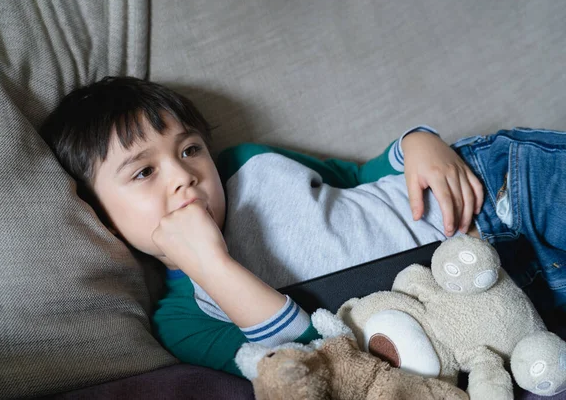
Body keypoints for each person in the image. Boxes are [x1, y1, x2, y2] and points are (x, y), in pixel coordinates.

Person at [40, 76, 565, 377]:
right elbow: (310, 352)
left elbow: (362, 175)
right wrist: (210, 265)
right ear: (98, 214)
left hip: (496, 194)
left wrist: (417, 141)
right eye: (144, 171)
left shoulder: (251, 167)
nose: (185, 176)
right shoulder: (183, 322)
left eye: (190, 149)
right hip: (516, 303)